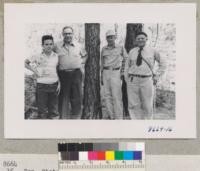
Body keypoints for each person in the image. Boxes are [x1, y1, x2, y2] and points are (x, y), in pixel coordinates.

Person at [124, 31, 166, 120]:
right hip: (133, 80)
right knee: (133, 104)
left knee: (147, 104)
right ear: (136, 40)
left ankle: (147, 125)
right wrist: (126, 79)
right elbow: (127, 66)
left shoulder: (152, 51)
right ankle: (136, 124)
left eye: (142, 38)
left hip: (147, 80)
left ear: (146, 39)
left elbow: (163, 63)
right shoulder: (132, 51)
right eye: (138, 38)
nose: (140, 40)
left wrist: (157, 76)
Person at [54, 26, 87, 119]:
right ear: (62, 34)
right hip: (63, 75)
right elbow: (50, 55)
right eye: (65, 33)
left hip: (76, 74)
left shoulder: (79, 45)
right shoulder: (56, 46)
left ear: (72, 34)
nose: (68, 35)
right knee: (63, 99)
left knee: (77, 98)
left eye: (69, 33)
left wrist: (81, 63)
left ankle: (76, 119)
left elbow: (85, 56)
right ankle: (64, 120)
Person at [25, 35, 60, 119]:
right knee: (42, 111)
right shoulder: (37, 56)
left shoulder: (57, 56)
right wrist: (34, 71)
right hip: (41, 86)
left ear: (53, 45)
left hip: (54, 85)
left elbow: (59, 71)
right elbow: (25, 63)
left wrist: (59, 83)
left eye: (51, 44)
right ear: (42, 45)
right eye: (46, 44)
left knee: (54, 111)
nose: (49, 46)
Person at [101, 30, 128, 119]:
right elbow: (102, 62)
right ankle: (111, 116)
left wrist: (123, 71)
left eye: (112, 37)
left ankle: (119, 117)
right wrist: (101, 76)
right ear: (106, 38)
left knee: (116, 96)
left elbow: (126, 59)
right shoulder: (103, 49)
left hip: (116, 72)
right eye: (108, 37)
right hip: (105, 73)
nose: (110, 39)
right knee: (107, 96)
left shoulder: (120, 48)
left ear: (115, 38)